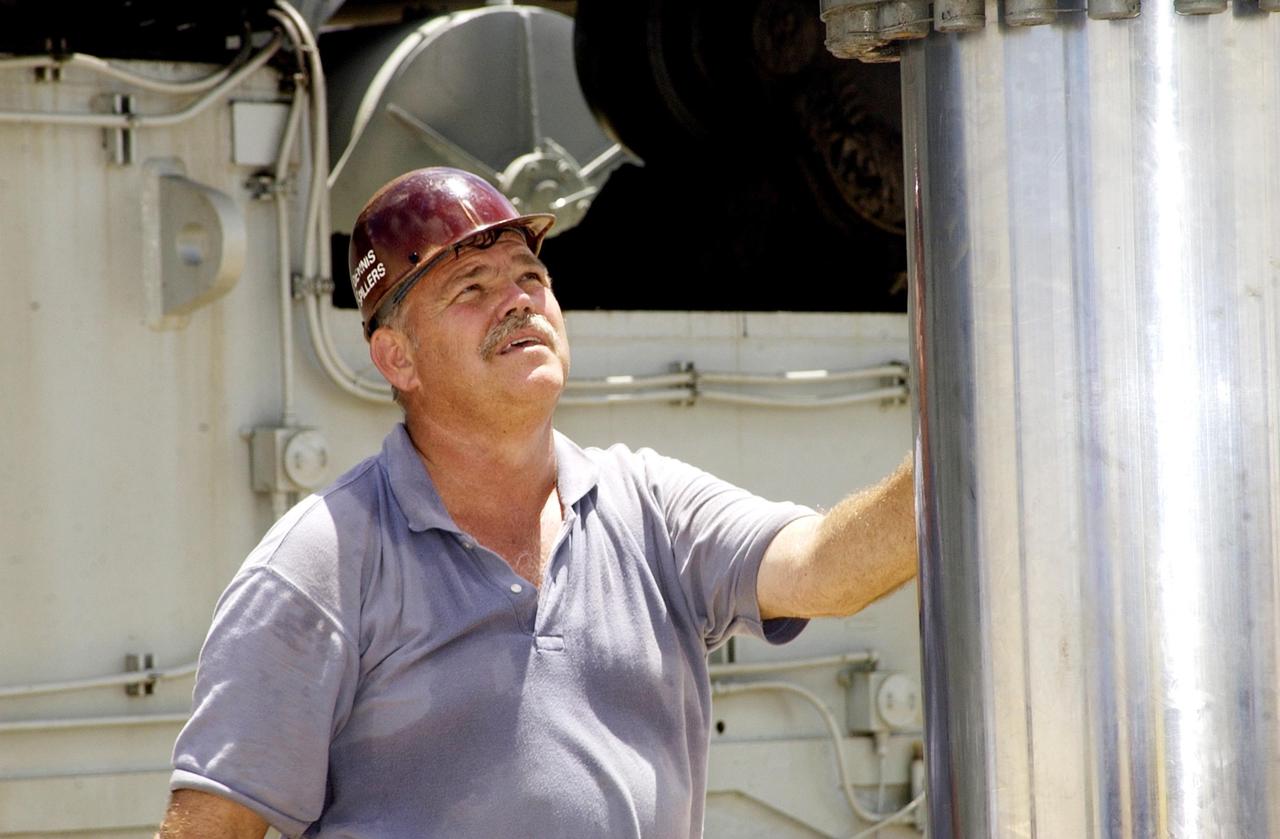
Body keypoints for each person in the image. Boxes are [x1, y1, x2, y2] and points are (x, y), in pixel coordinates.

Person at [156, 167, 917, 838]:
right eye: (472, 288)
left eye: (531, 276)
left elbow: (825, 567)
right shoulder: (322, 562)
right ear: (398, 356)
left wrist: (974, 438)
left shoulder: (648, 506)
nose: (518, 301)